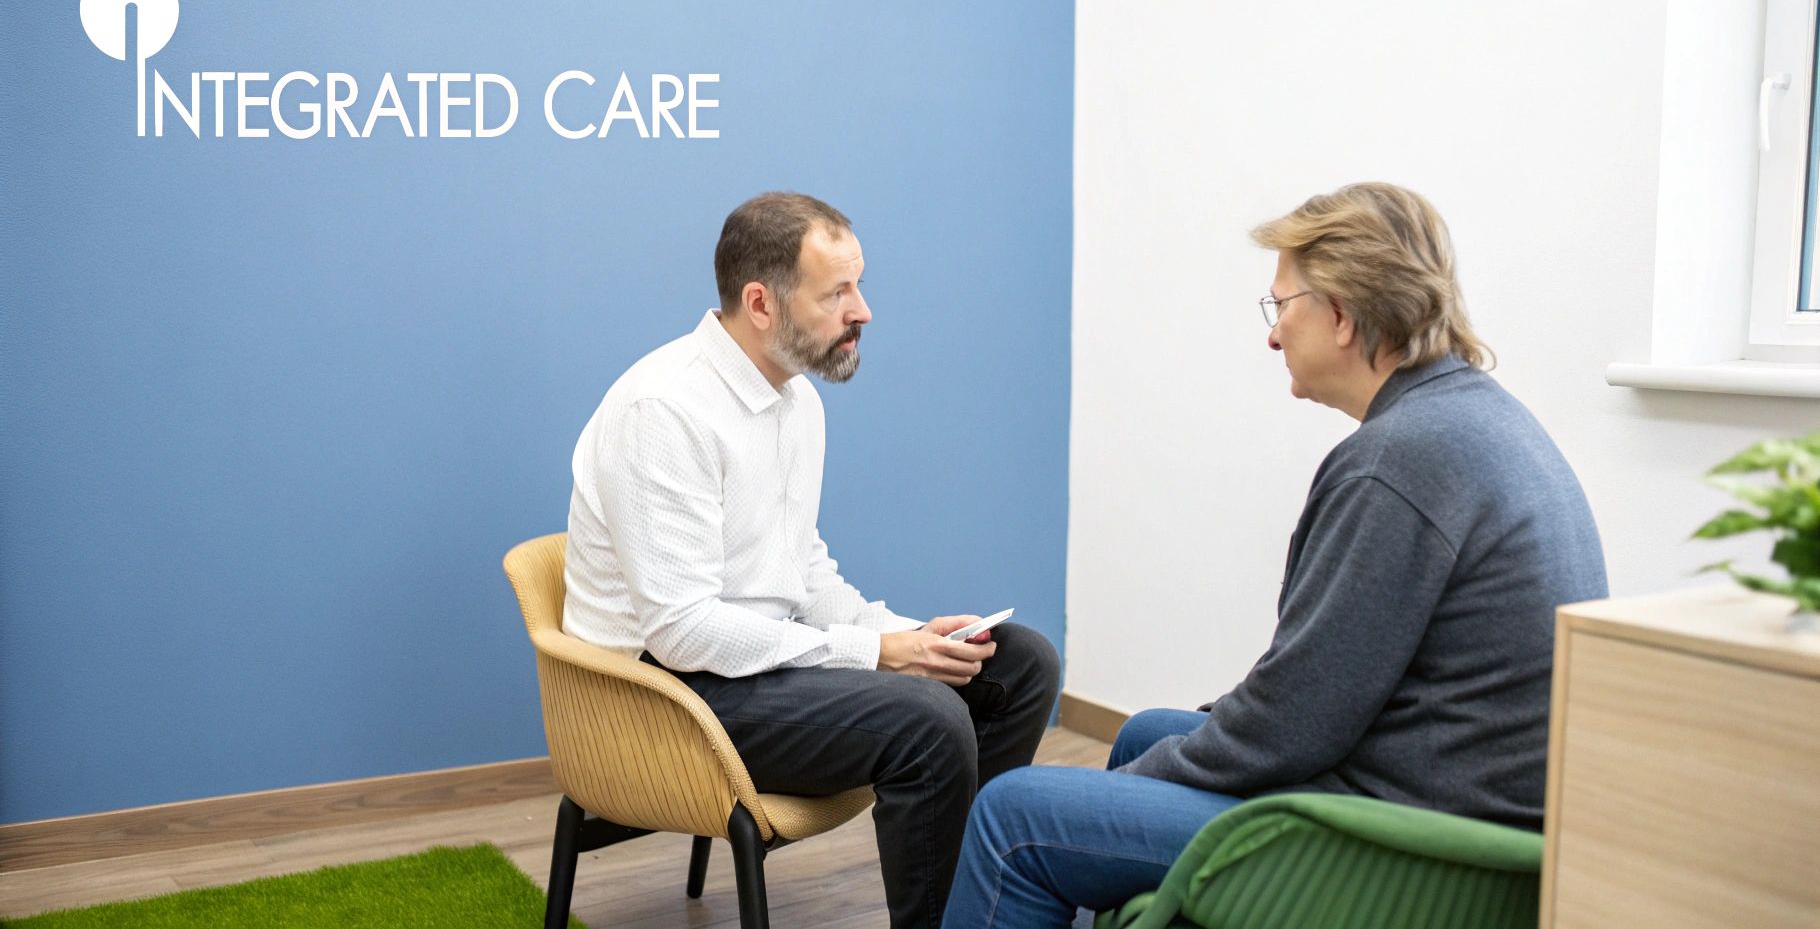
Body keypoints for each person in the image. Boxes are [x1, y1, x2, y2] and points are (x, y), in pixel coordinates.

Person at [940, 182, 1608, 927]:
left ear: (1342, 315)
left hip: (1415, 844)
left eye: (1280, 307)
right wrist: (1165, 759)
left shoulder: (1397, 463)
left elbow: (1294, 725)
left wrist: (1151, 778)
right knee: (1146, 732)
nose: (1271, 335)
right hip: (1456, 796)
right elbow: (1322, 684)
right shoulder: (1473, 420)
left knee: (1014, 818)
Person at [562, 191, 1061, 928]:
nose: (863, 310)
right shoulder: (663, 412)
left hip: (760, 667)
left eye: (858, 284)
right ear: (761, 303)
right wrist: (874, 653)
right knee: (926, 719)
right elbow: (682, 632)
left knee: (1018, 663)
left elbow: (802, 569)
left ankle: (975, 910)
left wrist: (909, 634)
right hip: (668, 695)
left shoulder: (795, 399)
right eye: (838, 293)